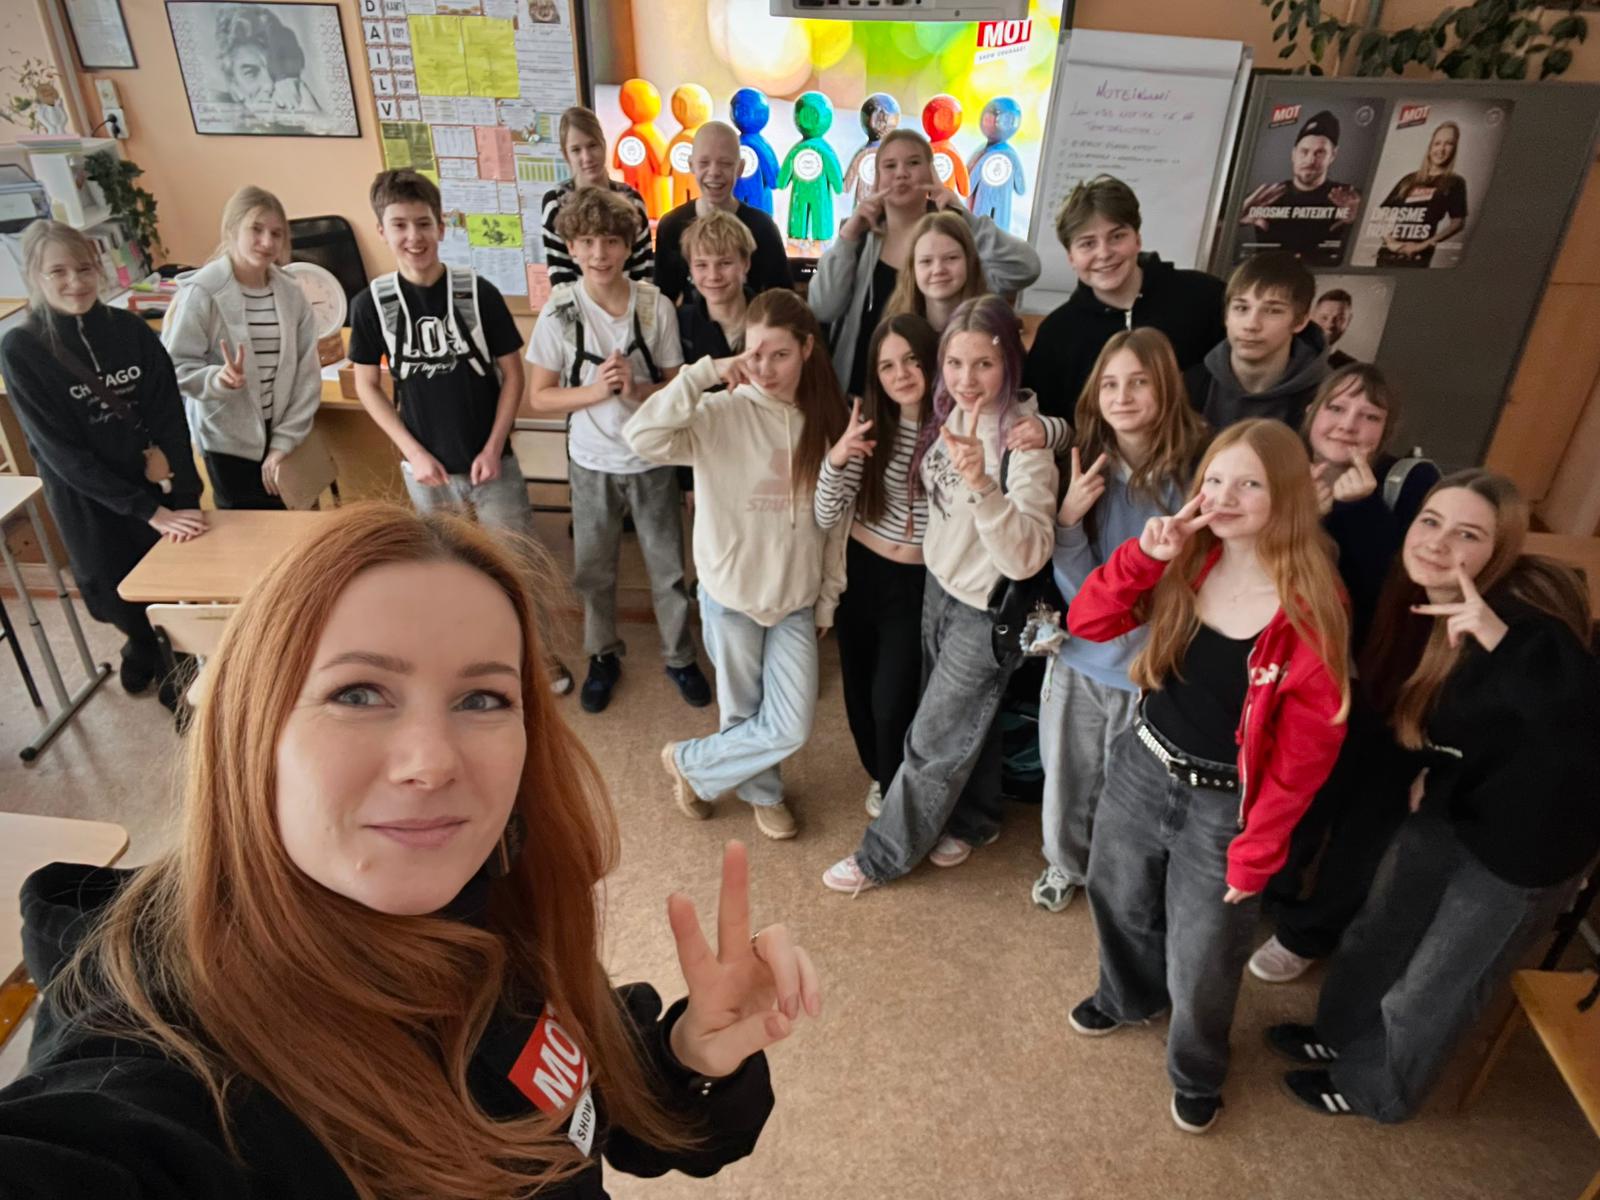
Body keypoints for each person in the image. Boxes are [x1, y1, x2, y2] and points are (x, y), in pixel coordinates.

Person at [0, 502, 820, 1197]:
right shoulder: (154, 1067)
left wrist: (688, 1053)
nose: (432, 763)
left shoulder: (496, 891)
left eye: (482, 698)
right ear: (251, 726)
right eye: (359, 692)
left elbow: (584, 1103)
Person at [1271, 472, 1600, 1124]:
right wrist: (1437, 768)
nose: (1440, 543)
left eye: (1468, 534)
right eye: (1431, 521)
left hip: (1530, 840)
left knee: (1438, 979)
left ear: (1500, 550)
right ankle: (1337, 1035)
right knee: (1381, 927)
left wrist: (1500, 642)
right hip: (1460, 795)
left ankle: (1376, 1090)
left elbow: (1574, 726)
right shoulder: (1419, 594)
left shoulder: (1530, 622)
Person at [1064, 418, 1349, 1135]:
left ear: (1285, 496)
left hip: (1226, 804)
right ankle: (1128, 996)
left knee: (1206, 949)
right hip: (1144, 762)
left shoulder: (1312, 604)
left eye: (1249, 484)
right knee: (1116, 894)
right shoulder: (1186, 558)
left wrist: (1258, 850)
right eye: (1215, 479)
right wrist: (1143, 557)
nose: (1224, 496)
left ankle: (1196, 1069)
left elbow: (1305, 756)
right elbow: (1088, 622)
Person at [822, 296, 1058, 894]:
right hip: (937, 589)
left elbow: (1028, 555)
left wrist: (983, 485)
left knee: (931, 742)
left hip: (983, 610)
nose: (966, 379)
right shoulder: (948, 414)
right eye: (955, 363)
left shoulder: (1024, 444)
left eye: (984, 364)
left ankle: (881, 858)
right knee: (967, 725)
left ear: (1010, 363)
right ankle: (976, 820)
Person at [625, 290, 848, 842]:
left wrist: (827, 597)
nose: (765, 369)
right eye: (755, 353)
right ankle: (763, 793)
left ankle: (692, 765)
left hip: (795, 599)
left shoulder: (827, 420)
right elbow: (641, 437)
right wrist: (704, 373)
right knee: (741, 709)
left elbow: (835, 523)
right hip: (731, 593)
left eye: (780, 354)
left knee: (791, 723)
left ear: (807, 349)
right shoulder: (720, 414)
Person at [349, 170, 573, 695]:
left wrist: (494, 447)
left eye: (423, 223)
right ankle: (462, 663)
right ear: (381, 230)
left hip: (491, 461)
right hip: (426, 469)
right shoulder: (372, 304)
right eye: (399, 225)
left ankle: (537, 656)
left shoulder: (478, 293)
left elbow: (513, 375)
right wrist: (412, 453)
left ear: (441, 226)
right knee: (442, 569)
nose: (414, 236)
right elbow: (368, 386)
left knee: (518, 564)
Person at [1031, 328, 1209, 913]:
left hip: (1148, 670)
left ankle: (1118, 882)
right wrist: (1066, 521)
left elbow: (1186, 586)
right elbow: (1084, 596)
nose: (1123, 396)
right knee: (1067, 776)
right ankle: (1064, 863)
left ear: (1167, 388)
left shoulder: (1194, 475)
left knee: (1132, 791)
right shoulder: (1083, 465)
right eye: (1110, 384)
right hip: (1081, 658)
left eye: (1138, 382)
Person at [0, 221, 205, 709]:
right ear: (34, 276)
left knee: (169, 588)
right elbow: (60, 452)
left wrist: (184, 495)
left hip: (152, 484)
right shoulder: (21, 349)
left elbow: (169, 415)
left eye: (85, 268)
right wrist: (148, 512)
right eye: (58, 272)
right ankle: (141, 645)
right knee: (110, 595)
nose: (76, 282)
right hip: (87, 500)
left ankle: (175, 673)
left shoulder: (130, 330)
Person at [1249, 365, 1408, 982]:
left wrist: (1357, 512)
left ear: (1387, 430)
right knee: (1287, 792)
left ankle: (1306, 932)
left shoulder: (1406, 482)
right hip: (1283, 671)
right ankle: (1271, 888)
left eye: (1369, 416)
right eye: (1337, 409)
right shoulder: (1279, 470)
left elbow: (1393, 588)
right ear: (1311, 414)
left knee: (1353, 809)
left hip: (1372, 680)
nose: (1349, 425)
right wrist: (1298, 521)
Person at [525, 187, 709, 715]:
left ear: (629, 246)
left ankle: (679, 655)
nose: (599, 253)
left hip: (651, 460)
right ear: (571, 248)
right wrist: (595, 392)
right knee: (593, 570)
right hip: (590, 463)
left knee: (667, 568)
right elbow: (539, 397)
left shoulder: (655, 307)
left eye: (610, 241)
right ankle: (602, 654)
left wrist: (634, 390)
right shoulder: (560, 311)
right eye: (587, 242)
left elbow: (679, 387)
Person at [812, 313, 941, 819]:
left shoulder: (954, 428)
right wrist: (838, 458)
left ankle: (895, 791)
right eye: (887, 366)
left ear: (931, 361)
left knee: (893, 699)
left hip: (917, 582)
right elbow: (826, 514)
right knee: (860, 694)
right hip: (861, 576)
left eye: (911, 360)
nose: (901, 374)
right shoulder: (867, 427)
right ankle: (879, 774)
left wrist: (1042, 430)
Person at [809, 128, 1040, 399]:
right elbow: (822, 307)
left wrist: (964, 218)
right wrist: (847, 237)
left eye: (913, 163)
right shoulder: (859, 240)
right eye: (890, 166)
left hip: (935, 403)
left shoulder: (954, 238)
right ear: (877, 179)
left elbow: (1026, 267)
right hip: (859, 399)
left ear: (932, 173)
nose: (901, 173)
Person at [162, 185, 320, 510]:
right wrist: (216, 379)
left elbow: (307, 374)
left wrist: (283, 443)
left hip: (285, 439)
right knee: (251, 531)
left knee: (300, 529)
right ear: (232, 229)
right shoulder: (203, 292)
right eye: (256, 229)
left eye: (276, 233)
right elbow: (174, 369)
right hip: (228, 445)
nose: (267, 242)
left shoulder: (291, 293)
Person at [1023, 176, 1225, 422]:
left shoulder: (1204, 297)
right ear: (1071, 258)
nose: (1104, 253)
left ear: (1137, 239)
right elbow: (1047, 422)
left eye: (1117, 236)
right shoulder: (1056, 335)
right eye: (1087, 244)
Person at [1184, 251, 1327, 432]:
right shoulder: (1190, 386)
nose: (1251, 325)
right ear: (1226, 316)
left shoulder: (1327, 396)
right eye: (1241, 308)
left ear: (1300, 322)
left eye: (1272, 311)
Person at [653, 122, 793, 305]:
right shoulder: (671, 226)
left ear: (740, 168)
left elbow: (784, 301)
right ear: (691, 165)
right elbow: (664, 300)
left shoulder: (763, 228)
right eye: (704, 163)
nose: (714, 172)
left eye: (725, 163)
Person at [541, 106, 654, 287]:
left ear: (603, 144)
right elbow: (560, 274)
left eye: (592, 145)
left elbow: (644, 270)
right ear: (566, 155)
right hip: (576, 303)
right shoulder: (555, 203)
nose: (587, 157)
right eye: (576, 150)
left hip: (629, 301)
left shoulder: (632, 200)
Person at [1236, 109, 1363, 266]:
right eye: (1304, 151)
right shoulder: (1263, 199)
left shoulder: (1351, 200)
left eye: (1320, 153)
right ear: (1293, 153)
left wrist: (1360, 221)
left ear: (1333, 155)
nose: (1310, 160)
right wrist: (1235, 220)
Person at [1374, 121, 1467, 269]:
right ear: (1430, 147)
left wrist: (1423, 245)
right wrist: (1391, 243)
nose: (1441, 149)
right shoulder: (1409, 180)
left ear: (1454, 149)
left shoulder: (1455, 182)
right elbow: (1381, 214)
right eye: (1437, 143)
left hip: (1417, 258)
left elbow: (1458, 223)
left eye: (1448, 144)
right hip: (1388, 256)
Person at [879, 210, 989, 333]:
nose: (938, 270)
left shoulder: (991, 326)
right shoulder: (895, 331)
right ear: (912, 268)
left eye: (951, 258)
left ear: (969, 260)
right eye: (926, 261)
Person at [1311, 287, 1356, 369]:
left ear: (1348, 321)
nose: (1330, 325)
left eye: (1339, 319)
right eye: (1324, 317)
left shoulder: (1351, 368)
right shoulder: (1288, 353)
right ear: (1312, 317)